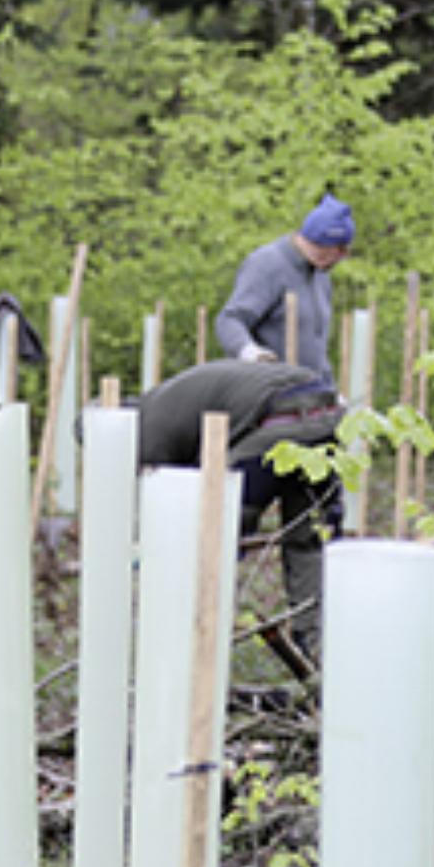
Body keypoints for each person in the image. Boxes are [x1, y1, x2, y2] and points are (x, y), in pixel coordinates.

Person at [135, 359, 345, 669]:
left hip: (276, 422)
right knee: (309, 540)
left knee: (214, 533)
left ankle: (194, 653)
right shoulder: (171, 399)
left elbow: (171, 500)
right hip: (326, 414)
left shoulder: (147, 428)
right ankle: (319, 652)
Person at [215, 193, 354, 384]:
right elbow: (229, 320)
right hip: (266, 391)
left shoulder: (321, 277)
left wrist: (330, 390)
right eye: (338, 252)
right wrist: (249, 351)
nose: (339, 259)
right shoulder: (267, 265)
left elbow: (317, 350)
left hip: (306, 395)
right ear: (327, 246)